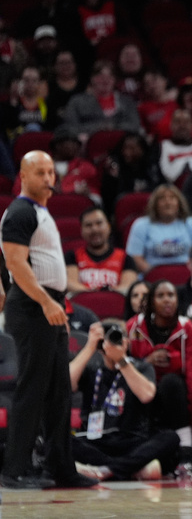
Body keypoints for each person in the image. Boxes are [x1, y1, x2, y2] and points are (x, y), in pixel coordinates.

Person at [0, 151, 96, 488]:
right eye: (39, 172)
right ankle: (14, 470)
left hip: (47, 305)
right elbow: (15, 264)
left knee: (59, 390)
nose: (47, 178)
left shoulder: (40, 212)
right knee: (33, 387)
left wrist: (57, 305)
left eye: (51, 172)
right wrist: (45, 302)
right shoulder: (20, 212)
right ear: (23, 176)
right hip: (32, 306)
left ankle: (61, 468)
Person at [68, 321, 179, 482]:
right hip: (95, 441)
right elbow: (66, 383)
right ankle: (130, 469)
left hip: (131, 440)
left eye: (117, 338)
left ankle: (106, 469)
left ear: (126, 342)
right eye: (107, 340)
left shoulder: (141, 367)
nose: (112, 343)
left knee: (170, 438)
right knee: (61, 439)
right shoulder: (91, 368)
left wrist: (121, 360)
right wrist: (90, 347)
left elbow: (147, 395)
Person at [126, 280, 192, 468]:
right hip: (144, 387)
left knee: (171, 382)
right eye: (160, 296)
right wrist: (146, 362)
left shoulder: (187, 328)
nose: (167, 300)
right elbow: (125, 363)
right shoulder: (133, 326)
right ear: (151, 302)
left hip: (175, 393)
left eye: (171, 295)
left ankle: (186, 446)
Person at [124, 184, 192, 274]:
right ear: (155, 204)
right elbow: (134, 258)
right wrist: (156, 274)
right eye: (162, 199)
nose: (168, 203)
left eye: (172, 198)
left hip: (189, 275)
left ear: (179, 203)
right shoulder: (141, 225)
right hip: (152, 276)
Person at [66, 206, 139, 294]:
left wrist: (103, 295)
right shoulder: (71, 257)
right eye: (88, 225)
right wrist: (96, 294)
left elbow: (128, 287)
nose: (94, 229)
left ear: (109, 226)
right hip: (80, 302)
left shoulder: (125, 258)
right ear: (81, 230)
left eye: (99, 223)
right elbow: (70, 284)